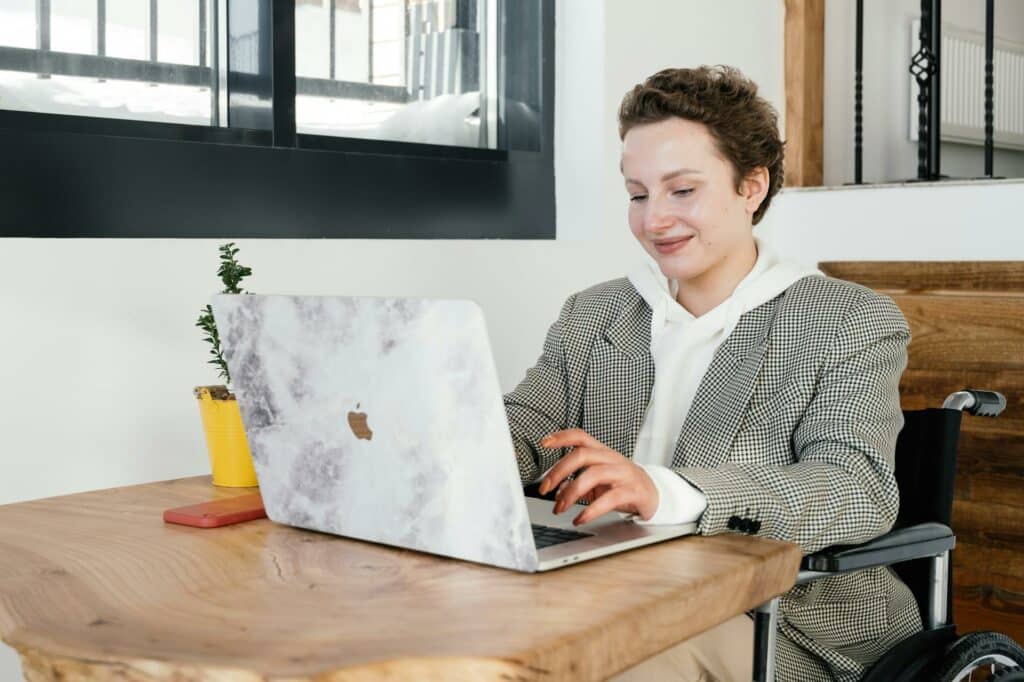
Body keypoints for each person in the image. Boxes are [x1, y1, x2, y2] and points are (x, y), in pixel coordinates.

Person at [503, 65, 922, 681]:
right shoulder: (595, 312)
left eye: (682, 190)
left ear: (751, 186)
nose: (654, 220)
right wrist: (445, 445)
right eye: (638, 194)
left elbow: (854, 489)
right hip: (603, 589)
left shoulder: (847, 320)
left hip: (774, 617)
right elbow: (528, 427)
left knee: (596, 663)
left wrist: (667, 492)